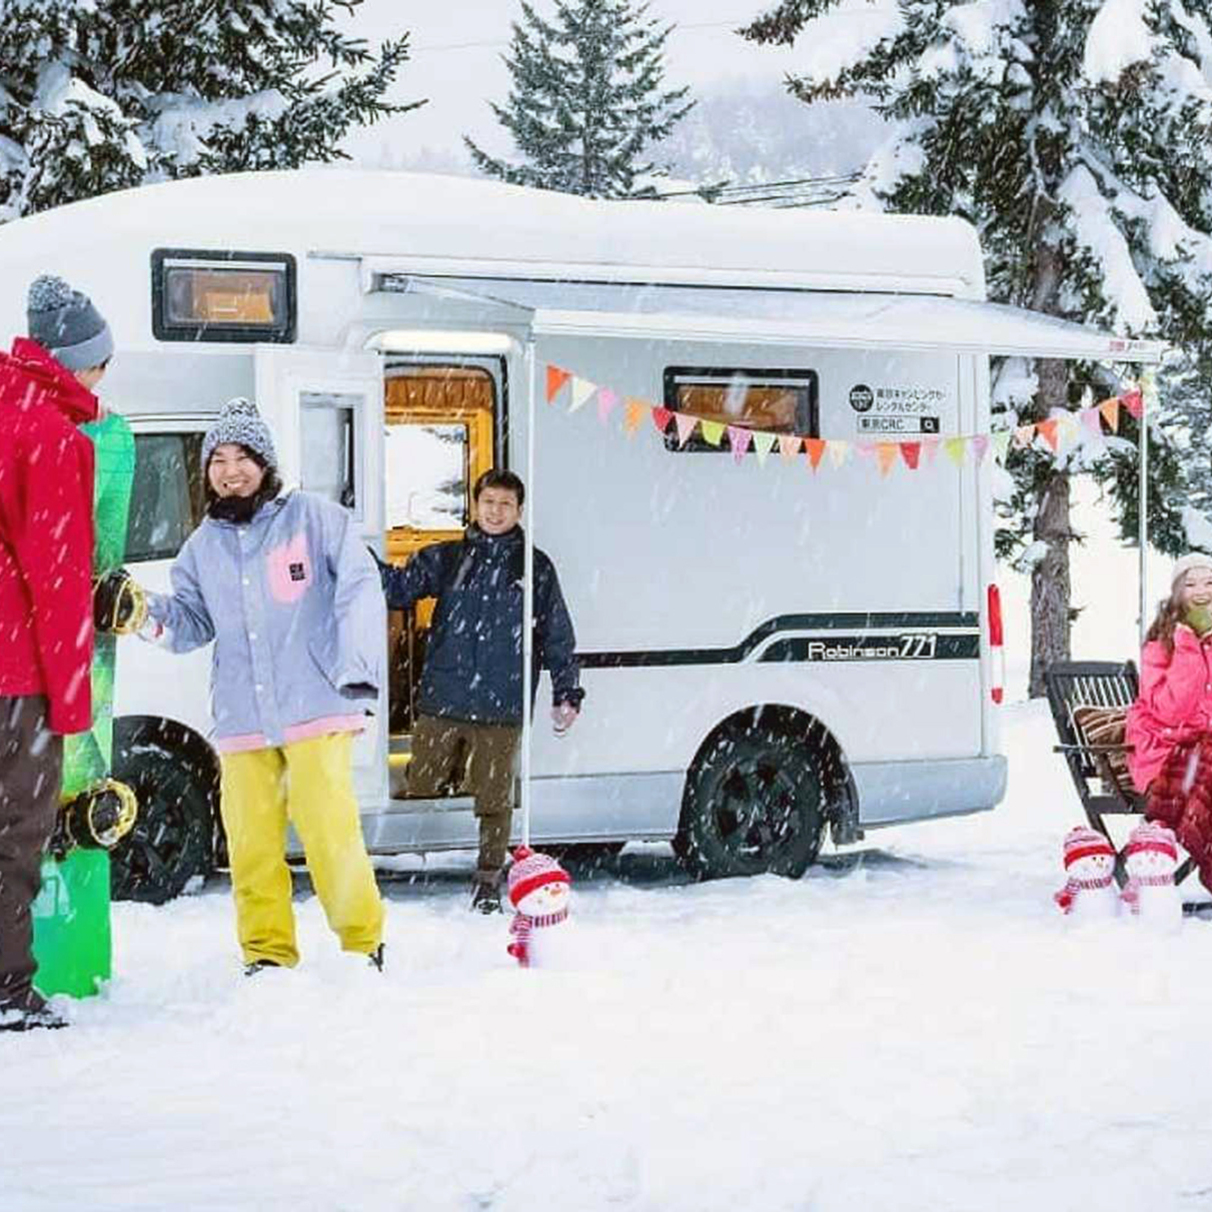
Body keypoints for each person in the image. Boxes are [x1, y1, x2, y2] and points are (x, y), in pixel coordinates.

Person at [118, 397, 387, 975]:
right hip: (242, 716)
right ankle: (266, 953)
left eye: (243, 456)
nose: (230, 469)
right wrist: (140, 612)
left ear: (265, 463)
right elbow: (190, 624)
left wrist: (356, 665)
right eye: (219, 457)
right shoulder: (201, 548)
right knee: (250, 841)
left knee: (328, 829)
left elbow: (362, 587)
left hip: (314, 702)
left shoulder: (313, 520)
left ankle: (363, 942)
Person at [380, 469, 583, 912]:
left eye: (505, 504)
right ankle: (450, 796)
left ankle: (489, 879)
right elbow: (397, 589)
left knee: (494, 799)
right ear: (474, 506)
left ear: (519, 511)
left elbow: (557, 633)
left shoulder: (534, 566)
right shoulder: (448, 557)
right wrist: (351, 558)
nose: (496, 511)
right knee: (422, 781)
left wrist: (567, 691)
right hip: (444, 696)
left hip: (502, 701)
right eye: (488, 502)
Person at [0, 275, 114, 1032]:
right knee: (17, 832)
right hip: (16, 674)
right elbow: (61, 575)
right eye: (101, 362)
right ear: (73, 362)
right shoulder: (50, 436)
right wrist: (72, 703)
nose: (106, 376)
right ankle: (8, 989)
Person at [1126, 552, 1212, 893]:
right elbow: (1170, 712)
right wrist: (1189, 647)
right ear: (1177, 591)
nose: (1201, 591)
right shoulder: (1160, 644)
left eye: (1209, 583)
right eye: (1190, 584)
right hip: (1164, 752)